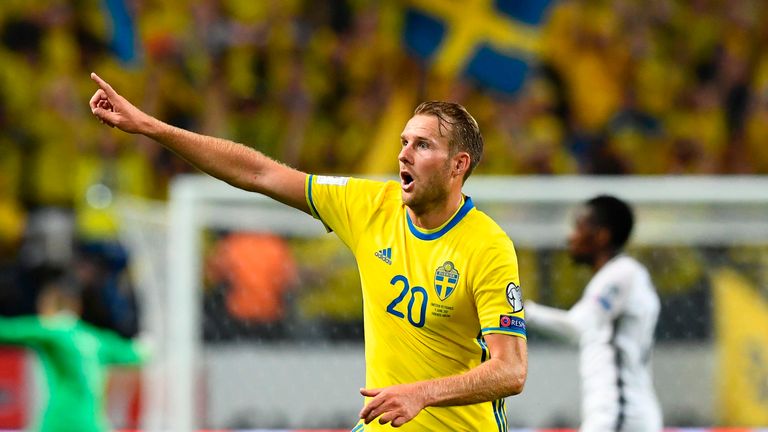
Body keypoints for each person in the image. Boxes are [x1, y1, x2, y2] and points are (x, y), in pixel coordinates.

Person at [88, 72, 527, 430]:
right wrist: (149, 126)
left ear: (458, 165)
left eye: (422, 145)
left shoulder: (486, 246)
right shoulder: (369, 206)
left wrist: (421, 392)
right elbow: (259, 172)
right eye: (403, 142)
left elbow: (511, 371)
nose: (404, 155)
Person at [525, 195, 662, 432]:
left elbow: (577, 326)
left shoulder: (622, 274)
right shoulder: (622, 275)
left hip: (620, 415)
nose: (571, 236)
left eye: (579, 227)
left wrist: (519, 311)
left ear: (601, 236)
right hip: (622, 415)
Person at [0, 277, 149, 432]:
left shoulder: (54, 330)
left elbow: (8, 331)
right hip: (91, 424)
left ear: (48, 305)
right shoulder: (95, 338)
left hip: (60, 422)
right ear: (77, 307)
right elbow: (135, 354)